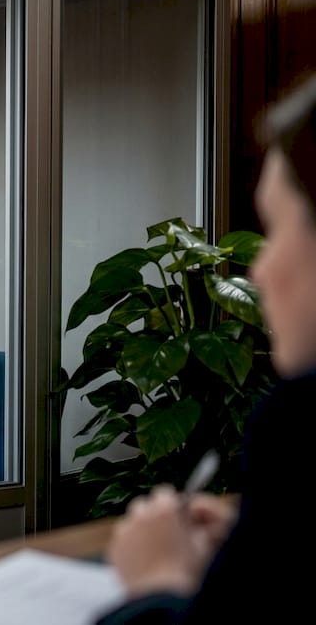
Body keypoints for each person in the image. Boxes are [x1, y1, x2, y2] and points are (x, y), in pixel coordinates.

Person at [94, 76, 316, 624]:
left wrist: (158, 582)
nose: (259, 271)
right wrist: (256, 553)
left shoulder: (300, 425)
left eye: (279, 229)